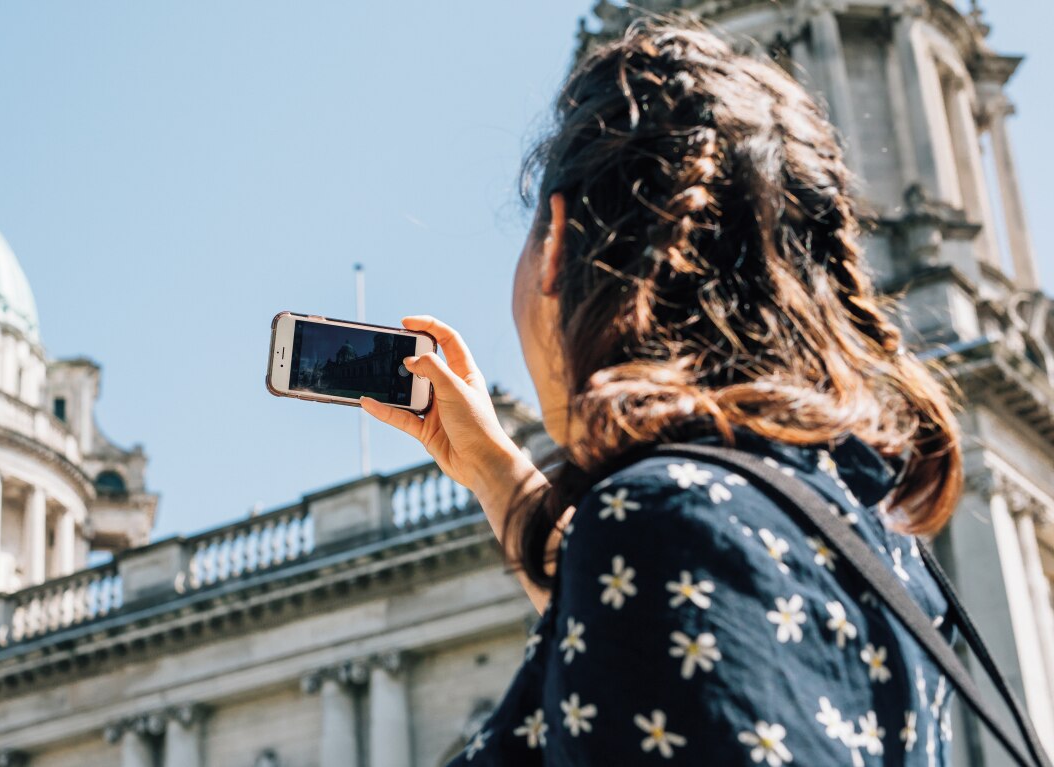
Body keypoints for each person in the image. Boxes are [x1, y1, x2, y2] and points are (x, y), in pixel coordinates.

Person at [361, 17, 966, 766]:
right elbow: (650, 653)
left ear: (556, 246)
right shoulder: (880, 540)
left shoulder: (661, 523)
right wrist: (493, 468)